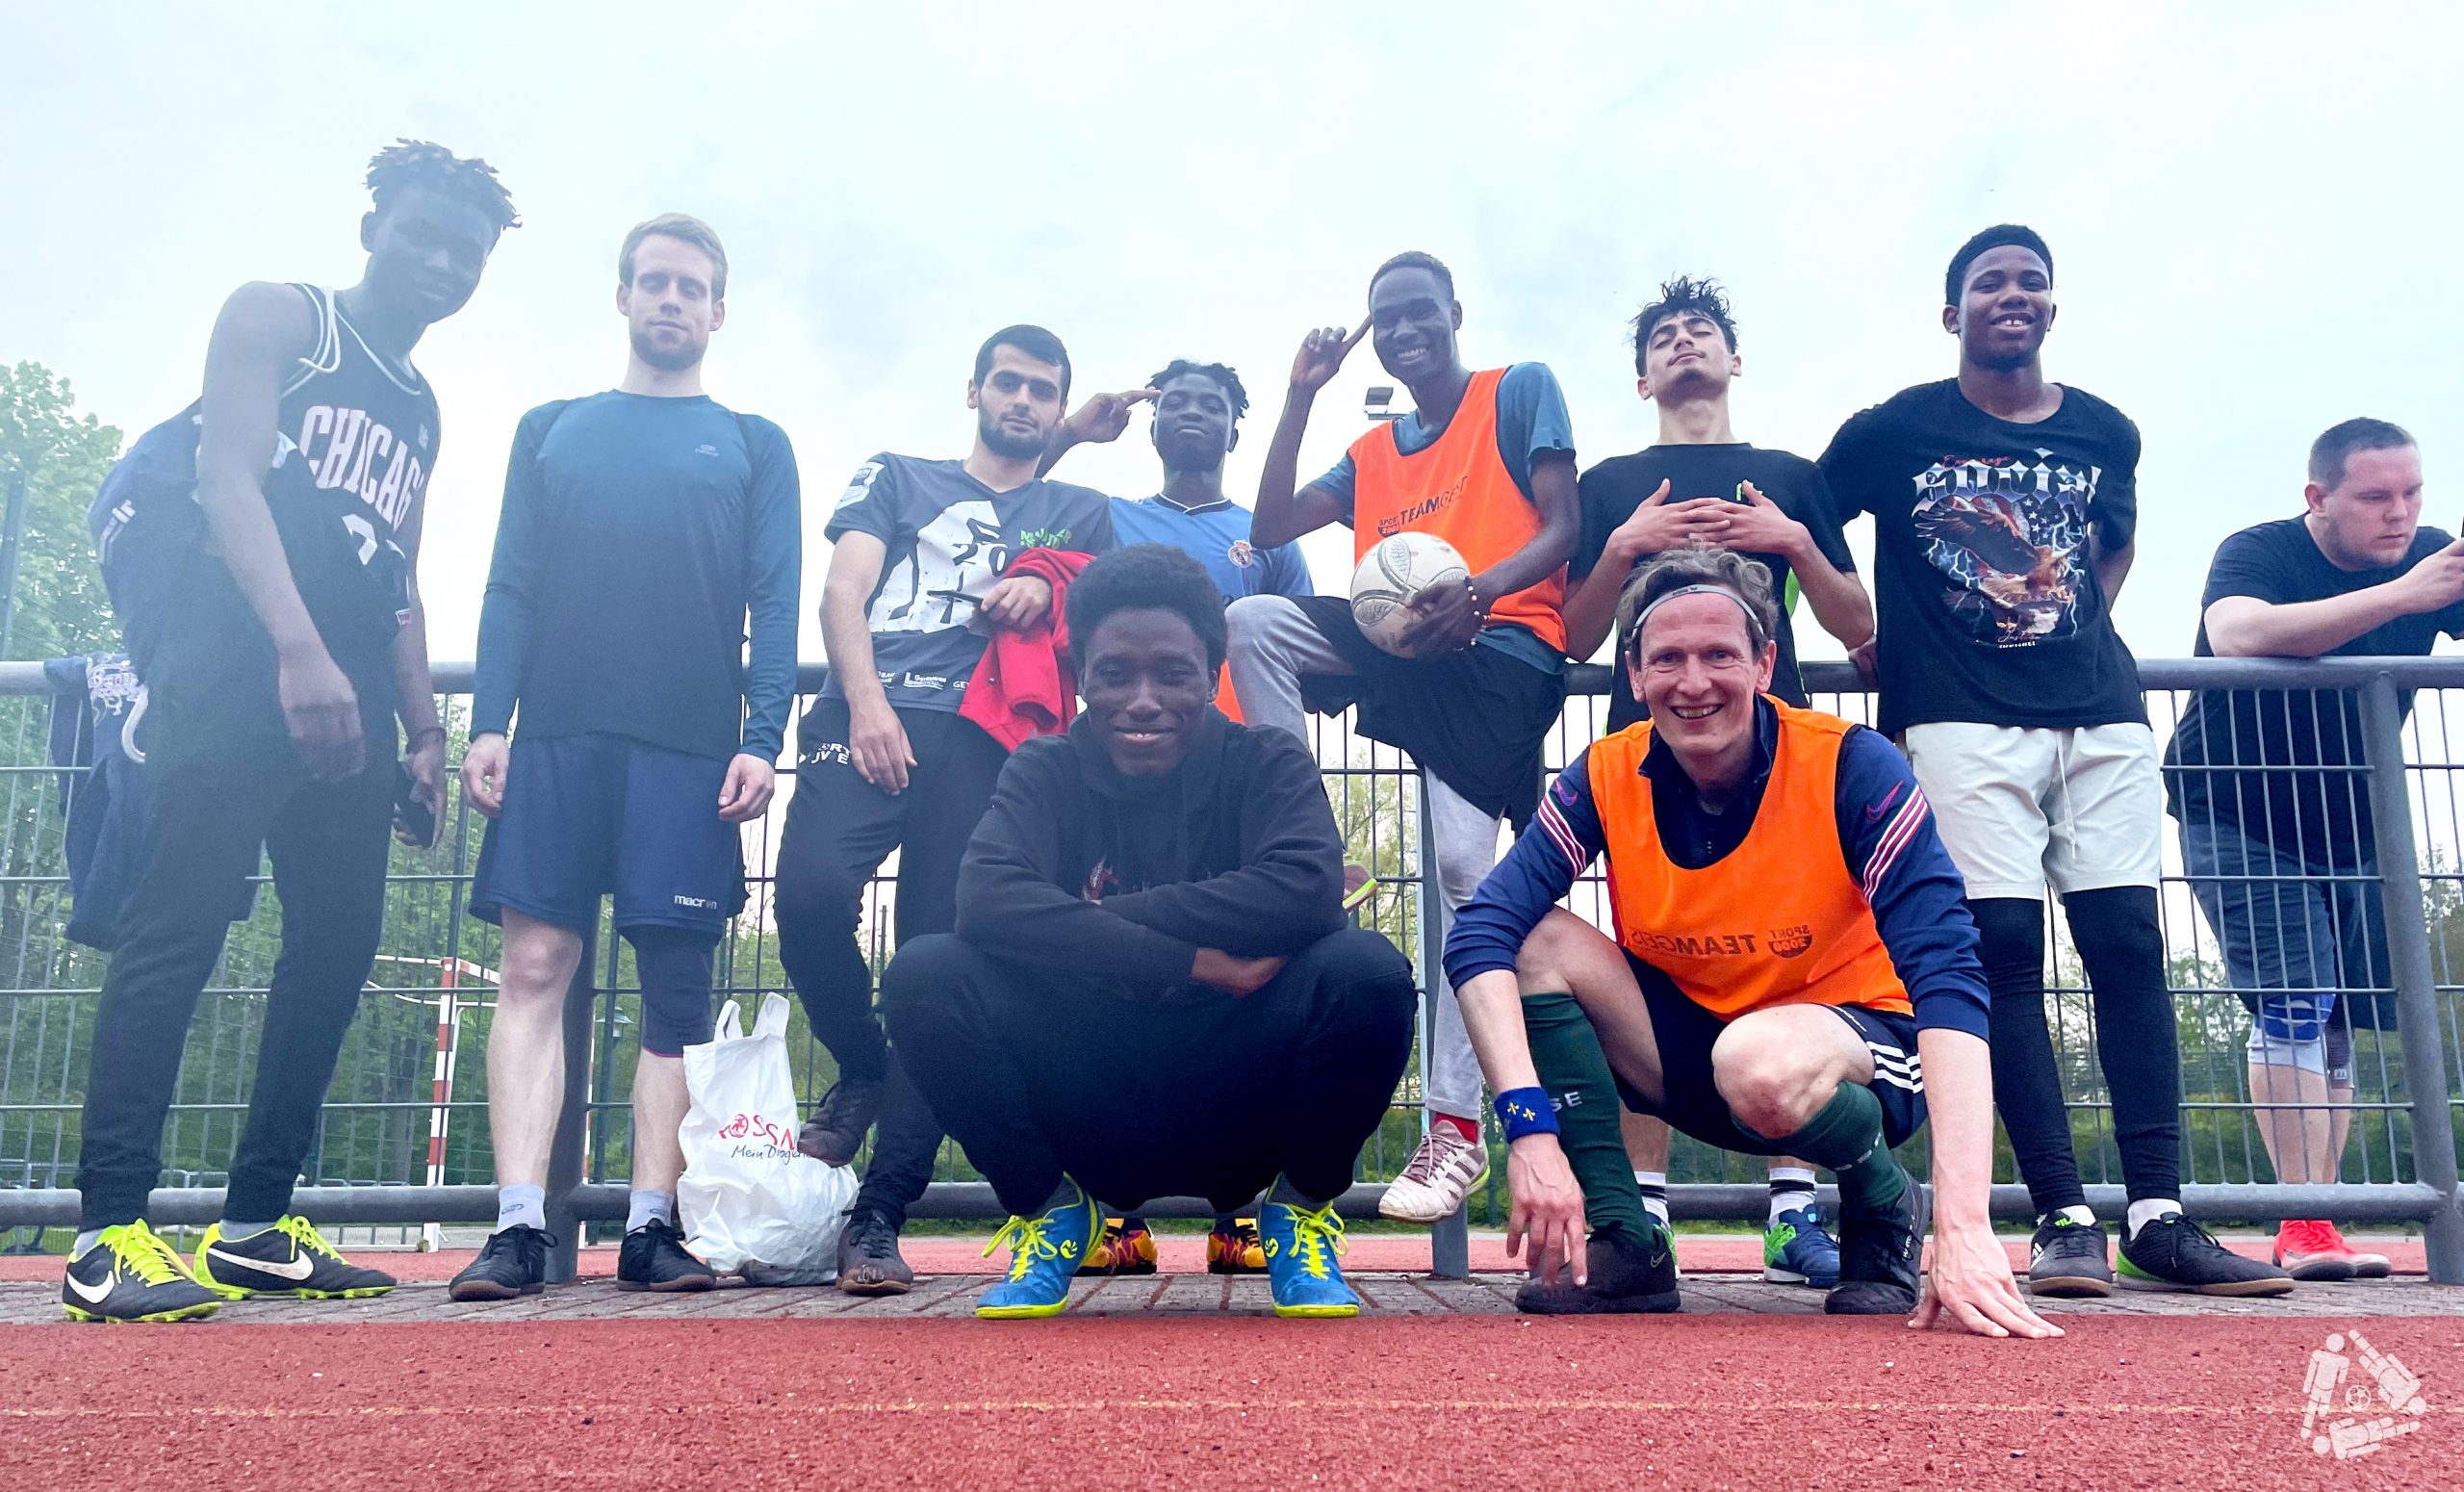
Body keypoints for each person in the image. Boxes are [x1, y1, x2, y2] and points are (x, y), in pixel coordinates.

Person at [64, 141, 517, 1323]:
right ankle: (106, 1232)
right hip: (237, 652)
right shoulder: (281, 316)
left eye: (466, 252)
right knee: (175, 928)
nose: (442, 262)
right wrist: (297, 650)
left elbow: (399, 570)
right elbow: (226, 481)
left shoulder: (419, 404)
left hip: (351, 683)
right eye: (422, 234)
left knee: (338, 941)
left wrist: (423, 728)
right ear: (372, 226)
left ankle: (256, 1223)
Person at [1817, 224, 2290, 1298]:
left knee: (2127, 943)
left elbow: (2111, 546)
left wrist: (2059, 622)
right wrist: (1860, 618)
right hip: (1956, 717)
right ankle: (2062, 1215)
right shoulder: (1895, 427)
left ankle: (2160, 1213)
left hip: (2100, 713)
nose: (2012, 294)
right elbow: (1811, 509)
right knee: (2000, 951)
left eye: (2031, 280)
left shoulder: (2105, 430)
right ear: (1953, 314)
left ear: (2051, 306)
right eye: (1989, 282)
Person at [1444, 549, 2055, 1338]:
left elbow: (1947, 973)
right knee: (1532, 941)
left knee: (1757, 1059)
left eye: (1719, 655)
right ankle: (1627, 1237)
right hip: (1697, 1051)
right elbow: (1481, 932)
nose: (1693, 682)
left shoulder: (1851, 764)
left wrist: (1965, 1225)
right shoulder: (1604, 773)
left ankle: (1882, 1196)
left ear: (1765, 664)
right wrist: (1528, 1129)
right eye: (1668, 658)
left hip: (1855, 1047)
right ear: (1635, 676)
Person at [884, 545, 1418, 1319]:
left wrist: (1083, 921)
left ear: (1211, 674)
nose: (1142, 701)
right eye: (1115, 674)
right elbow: (987, 902)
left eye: (1171, 674)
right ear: (1082, 676)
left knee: (1368, 972)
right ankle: (1050, 1211)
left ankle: (1297, 1213)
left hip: (1242, 1096)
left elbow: (1307, 891)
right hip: (1089, 1093)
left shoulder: (1266, 759)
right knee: (925, 974)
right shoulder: (1043, 768)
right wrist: (1193, 959)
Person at [448, 214, 800, 1301]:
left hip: (689, 751)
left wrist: (760, 740)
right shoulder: (551, 427)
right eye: (654, 281)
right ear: (623, 297)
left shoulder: (753, 442)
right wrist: (491, 721)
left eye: (691, 286)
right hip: (557, 737)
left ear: (718, 311)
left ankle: (652, 1227)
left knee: (675, 991)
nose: (671, 299)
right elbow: (509, 583)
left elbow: (775, 602)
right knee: (533, 969)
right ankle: (519, 1227)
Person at [1231, 251, 1578, 1226]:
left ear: (1454, 312)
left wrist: (1482, 589)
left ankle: (1458, 1124)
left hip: (1497, 645)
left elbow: (1565, 525)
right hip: (1397, 642)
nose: (1403, 329)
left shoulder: (1518, 390)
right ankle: (1305, 843)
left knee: (1468, 875)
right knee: (1254, 623)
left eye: (1420, 310)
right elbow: (1269, 526)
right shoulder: (1371, 450)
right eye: (1386, 318)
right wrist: (1301, 395)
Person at [776, 325, 1120, 1294]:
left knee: (931, 961)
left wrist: (1046, 589)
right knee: (806, 897)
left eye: (1042, 390)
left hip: (987, 741)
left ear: (1059, 407)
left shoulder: (1078, 510)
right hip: (868, 716)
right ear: (973, 390)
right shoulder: (897, 475)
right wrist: (868, 704)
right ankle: (860, 1062)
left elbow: (1100, 616)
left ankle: (879, 1213)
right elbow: (841, 594)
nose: (1022, 400)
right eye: (1007, 382)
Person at [1565, 275, 1873, 1287]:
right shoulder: (1612, 482)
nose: (1683, 342)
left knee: (1790, 962)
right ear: (1641, 376)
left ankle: (1793, 1211)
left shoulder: (1786, 475)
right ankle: (1646, 1214)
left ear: (1734, 360)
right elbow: (1570, 635)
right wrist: (1622, 547)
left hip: (1775, 761)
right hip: (1646, 763)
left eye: (1701, 330)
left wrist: (1792, 541)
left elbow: (1857, 624)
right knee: (1646, 967)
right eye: (1662, 336)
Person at [2168, 418, 2453, 1281]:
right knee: (2294, 1000)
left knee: (2332, 1015)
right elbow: (2238, 635)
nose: (2399, 514)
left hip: (2353, 827)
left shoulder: (2431, 555)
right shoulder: (2259, 550)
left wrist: (2422, 585)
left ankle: (2317, 1215)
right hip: (2237, 810)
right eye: (2375, 497)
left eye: (2412, 493)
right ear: (2318, 498)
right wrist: (2403, 596)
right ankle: (2304, 1218)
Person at [1052, 357, 1313, 1277]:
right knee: (1115, 972)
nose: (1194, 414)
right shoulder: (1108, 516)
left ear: (1238, 428)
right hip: (1123, 785)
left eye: (1214, 404)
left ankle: (1240, 1209)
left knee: (1246, 985)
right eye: (1177, 402)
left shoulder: (1268, 534)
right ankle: (1113, 1209)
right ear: (1153, 423)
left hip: (1232, 794)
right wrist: (1072, 433)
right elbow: (1010, 504)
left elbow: (1302, 643)